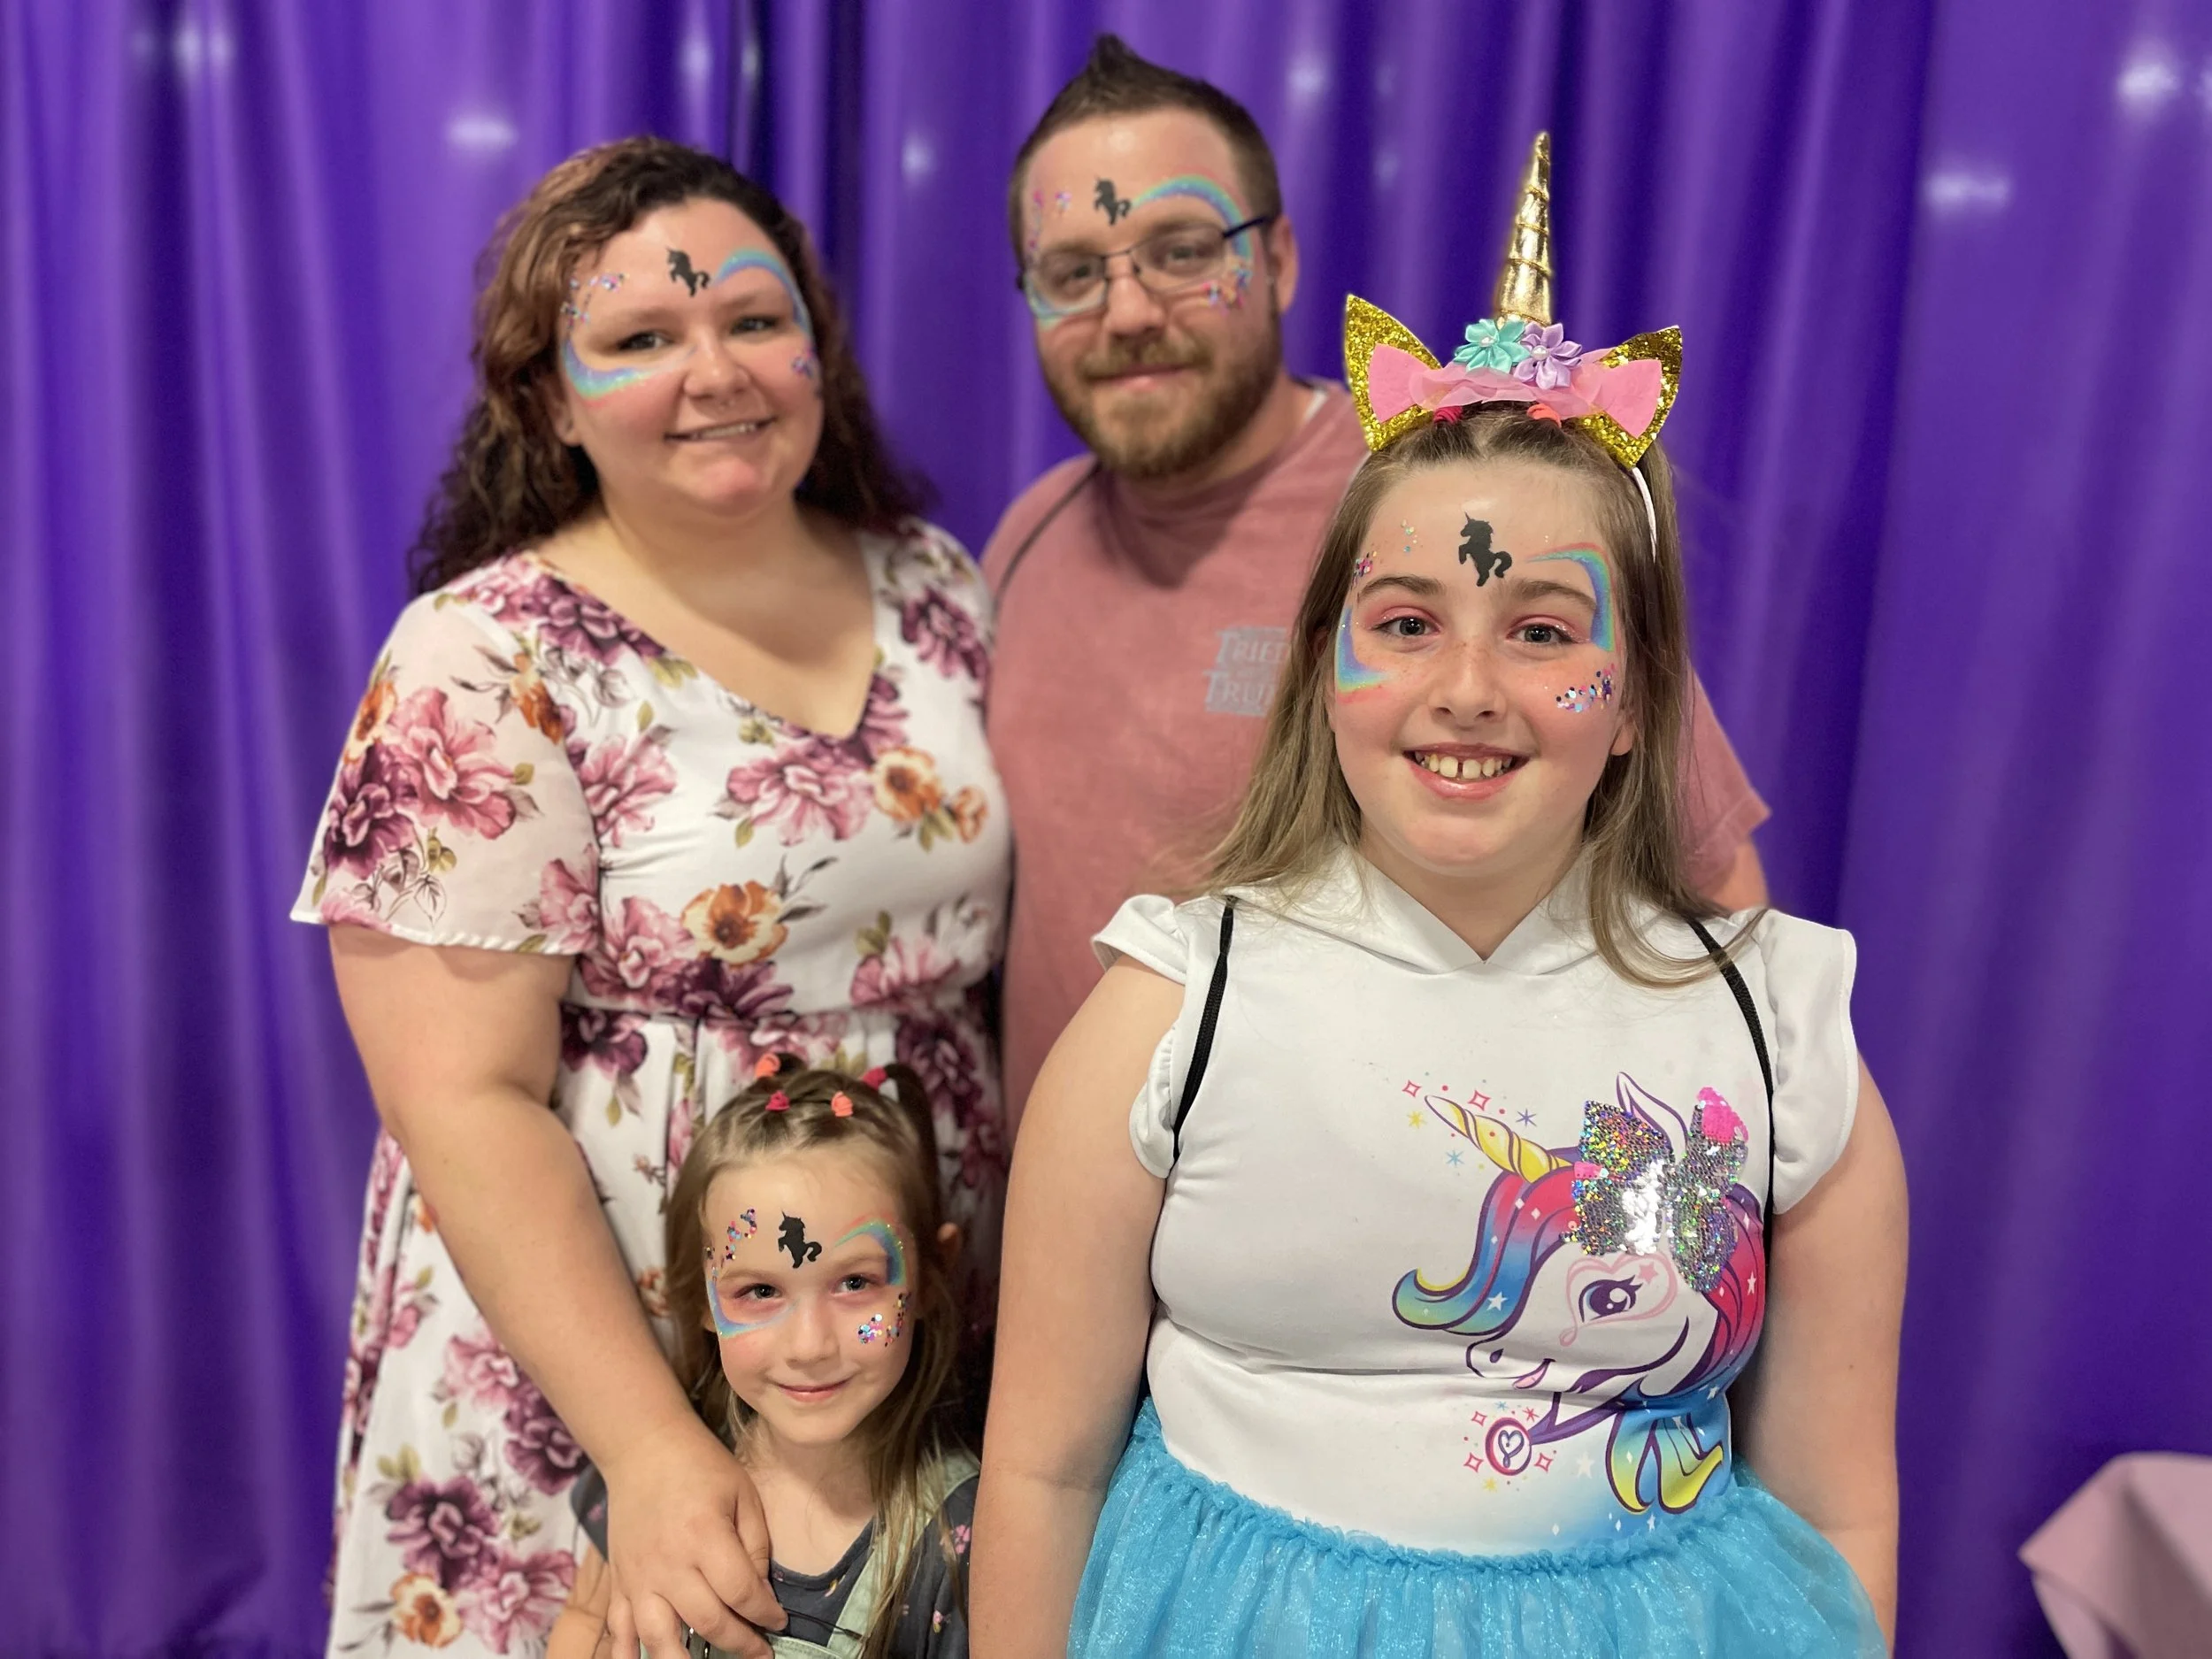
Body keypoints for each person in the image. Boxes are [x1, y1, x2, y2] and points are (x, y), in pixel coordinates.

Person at [972, 147, 1905, 1655]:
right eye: (1406, 622)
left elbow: (1837, 1515)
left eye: (1543, 631)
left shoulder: (1779, 1035)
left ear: (1640, 698)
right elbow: (1042, 1469)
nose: (1467, 688)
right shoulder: (1169, 1010)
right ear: (1322, 666)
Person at [294, 138, 1007, 1659]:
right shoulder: (482, 654)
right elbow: (460, 1100)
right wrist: (652, 1448)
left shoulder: (938, 586)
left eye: (753, 319)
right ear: (549, 398)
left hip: (896, 1309)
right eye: (639, 337)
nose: (716, 371)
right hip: (604, 1351)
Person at [984, 36, 1773, 1126]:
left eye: (1180, 251)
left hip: (1369, 1198)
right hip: (1063, 1199)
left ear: (1278, 260)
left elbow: (1709, 898)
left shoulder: (1438, 513)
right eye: (1074, 273)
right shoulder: (1027, 538)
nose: (1125, 313)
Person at [550, 1057, 977, 1659]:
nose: (809, 1345)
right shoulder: (662, 1475)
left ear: (930, 1277)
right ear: (702, 1298)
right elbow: (585, 1619)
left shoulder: (962, 1540)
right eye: (760, 1291)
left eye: (855, 1282)